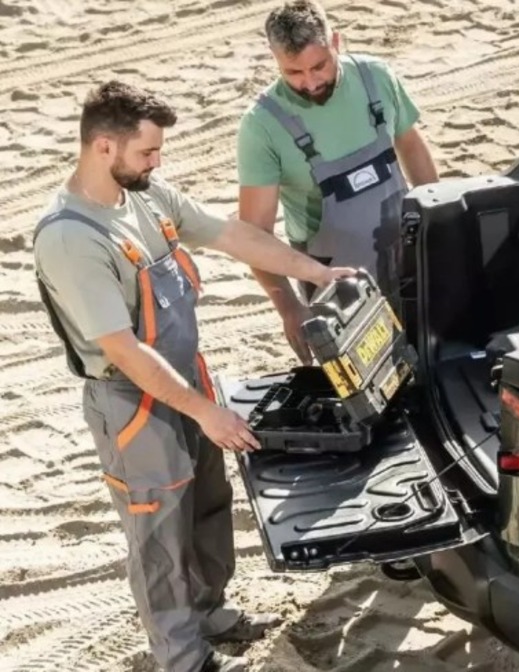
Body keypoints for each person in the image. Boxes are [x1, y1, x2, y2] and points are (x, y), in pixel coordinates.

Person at [32, 81, 357, 672]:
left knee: (208, 503)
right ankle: (182, 657)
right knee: (159, 537)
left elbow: (233, 235)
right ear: (105, 147)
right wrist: (205, 411)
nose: (157, 163)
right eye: (147, 153)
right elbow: (124, 351)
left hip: (186, 378)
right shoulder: (72, 237)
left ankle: (210, 613)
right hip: (132, 402)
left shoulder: (147, 197)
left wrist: (317, 273)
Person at [237, 0, 439, 365]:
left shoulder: (375, 78)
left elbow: (410, 145)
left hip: (410, 260)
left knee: (434, 366)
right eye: (293, 72)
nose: (311, 82)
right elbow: (254, 234)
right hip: (335, 287)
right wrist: (288, 307)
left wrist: (437, 223)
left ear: (336, 42)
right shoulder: (262, 126)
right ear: (274, 58)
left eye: (319, 65)